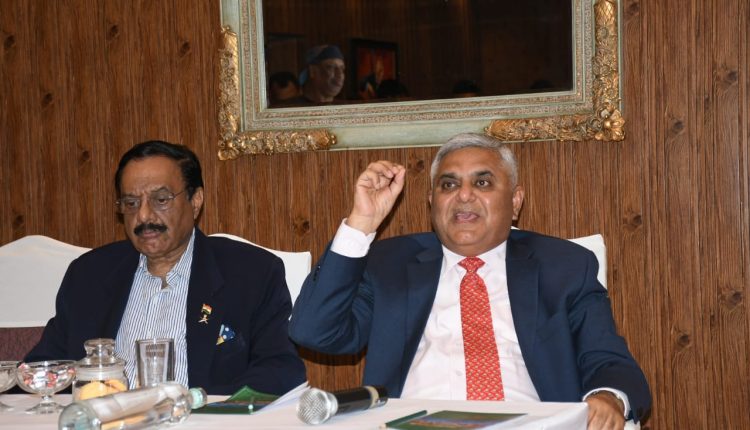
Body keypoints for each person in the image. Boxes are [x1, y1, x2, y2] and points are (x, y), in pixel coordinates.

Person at [289, 133, 651, 429]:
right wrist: (361, 224)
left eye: (483, 182)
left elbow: (607, 359)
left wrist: (607, 397)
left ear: (515, 201)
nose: (463, 195)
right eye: (448, 184)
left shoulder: (564, 266)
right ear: (432, 202)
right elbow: (314, 332)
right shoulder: (390, 264)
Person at [26, 140, 306, 395]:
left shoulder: (251, 273)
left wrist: (203, 409)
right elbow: (45, 367)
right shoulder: (90, 274)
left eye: (160, 200)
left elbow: (280, 369)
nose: (143, 216)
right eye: (131, 203)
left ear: (195, 201)